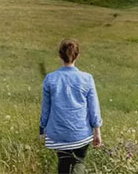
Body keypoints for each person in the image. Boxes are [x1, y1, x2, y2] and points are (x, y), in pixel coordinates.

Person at [39, 39, 103, 174]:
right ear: (77, 56)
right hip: (81, 133)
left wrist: (42, 129)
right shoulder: (87, 78)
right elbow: (93, 107)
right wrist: (97, 131)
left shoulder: (50, 78)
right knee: (79, 162)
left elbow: (46, 108)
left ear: (60, 55)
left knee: (63, 163)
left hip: (58, 134)